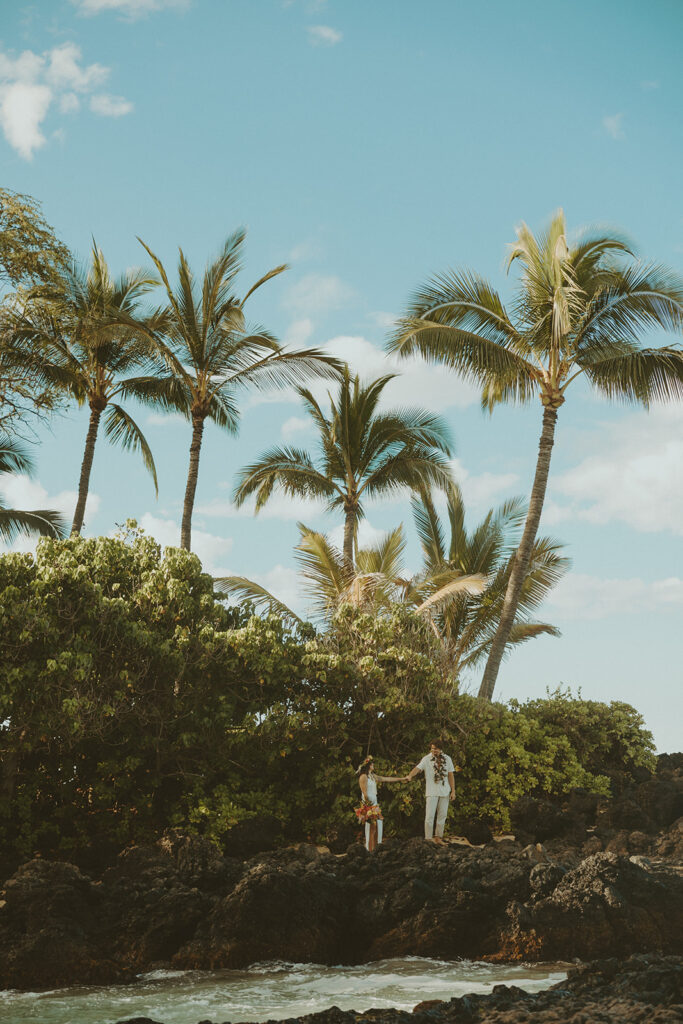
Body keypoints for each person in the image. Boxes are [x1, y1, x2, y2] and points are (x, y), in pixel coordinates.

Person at [405, 739, 456, 843]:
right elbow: (417, 768)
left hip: (444, 791)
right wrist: (410, 775)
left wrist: (453, 791)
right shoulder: (426, 759)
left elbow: (451, 775)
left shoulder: (447, 759)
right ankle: (428, 839)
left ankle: (438, 838)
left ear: (440, 749)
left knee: (442, 815)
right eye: (432, 749)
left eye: (435, 749)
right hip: (431, 791)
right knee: (429, 816)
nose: (433, 751)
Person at [355, 755, 405, 851]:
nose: (373, 765)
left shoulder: (372, 776)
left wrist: (402, 779)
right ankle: (369, 850)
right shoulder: (363, 777)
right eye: (372, 764)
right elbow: (364, 793)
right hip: (369, 806)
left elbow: (386, 779)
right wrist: (368, 808)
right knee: (371, 828)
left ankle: (377, 849)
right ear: (368, 765)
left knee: (378, 826)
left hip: (375, 804)